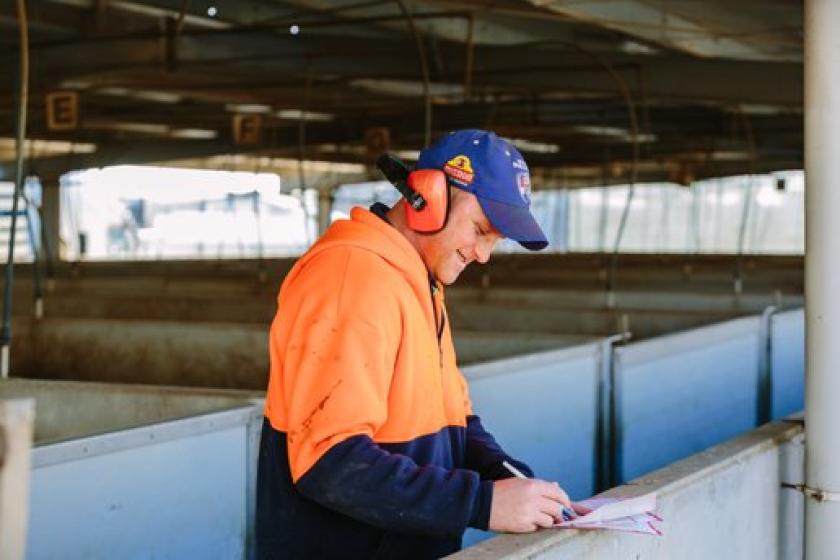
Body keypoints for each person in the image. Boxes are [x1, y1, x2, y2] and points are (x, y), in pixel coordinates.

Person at [256, 129, 582, 559]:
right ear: (427, 198)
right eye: (480, 230)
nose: (483, 255)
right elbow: (330, 464)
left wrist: (507, 477)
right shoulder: (353, 279)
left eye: (494, 241)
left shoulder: (418, 283)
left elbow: (455, 422)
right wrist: (482, 503)